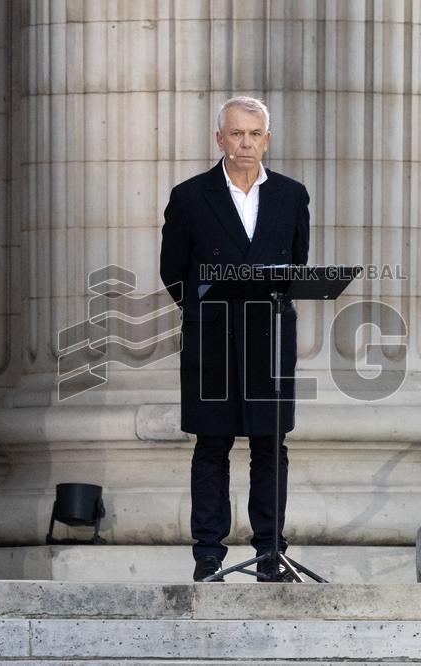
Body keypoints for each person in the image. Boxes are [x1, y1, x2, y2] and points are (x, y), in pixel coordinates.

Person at [159, 96, 310, 582]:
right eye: (236, 134)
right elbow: (173, 271)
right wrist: (206, 312)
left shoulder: (292, 196)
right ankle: (208, 557)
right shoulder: (189, 196)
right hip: (213, 341)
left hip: (269, 339)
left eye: (254, 134)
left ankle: (271, 554)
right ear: (219, 139)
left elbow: (297, 264)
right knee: (212, 445)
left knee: (271, 446)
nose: (245, 143)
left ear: (267, 140)